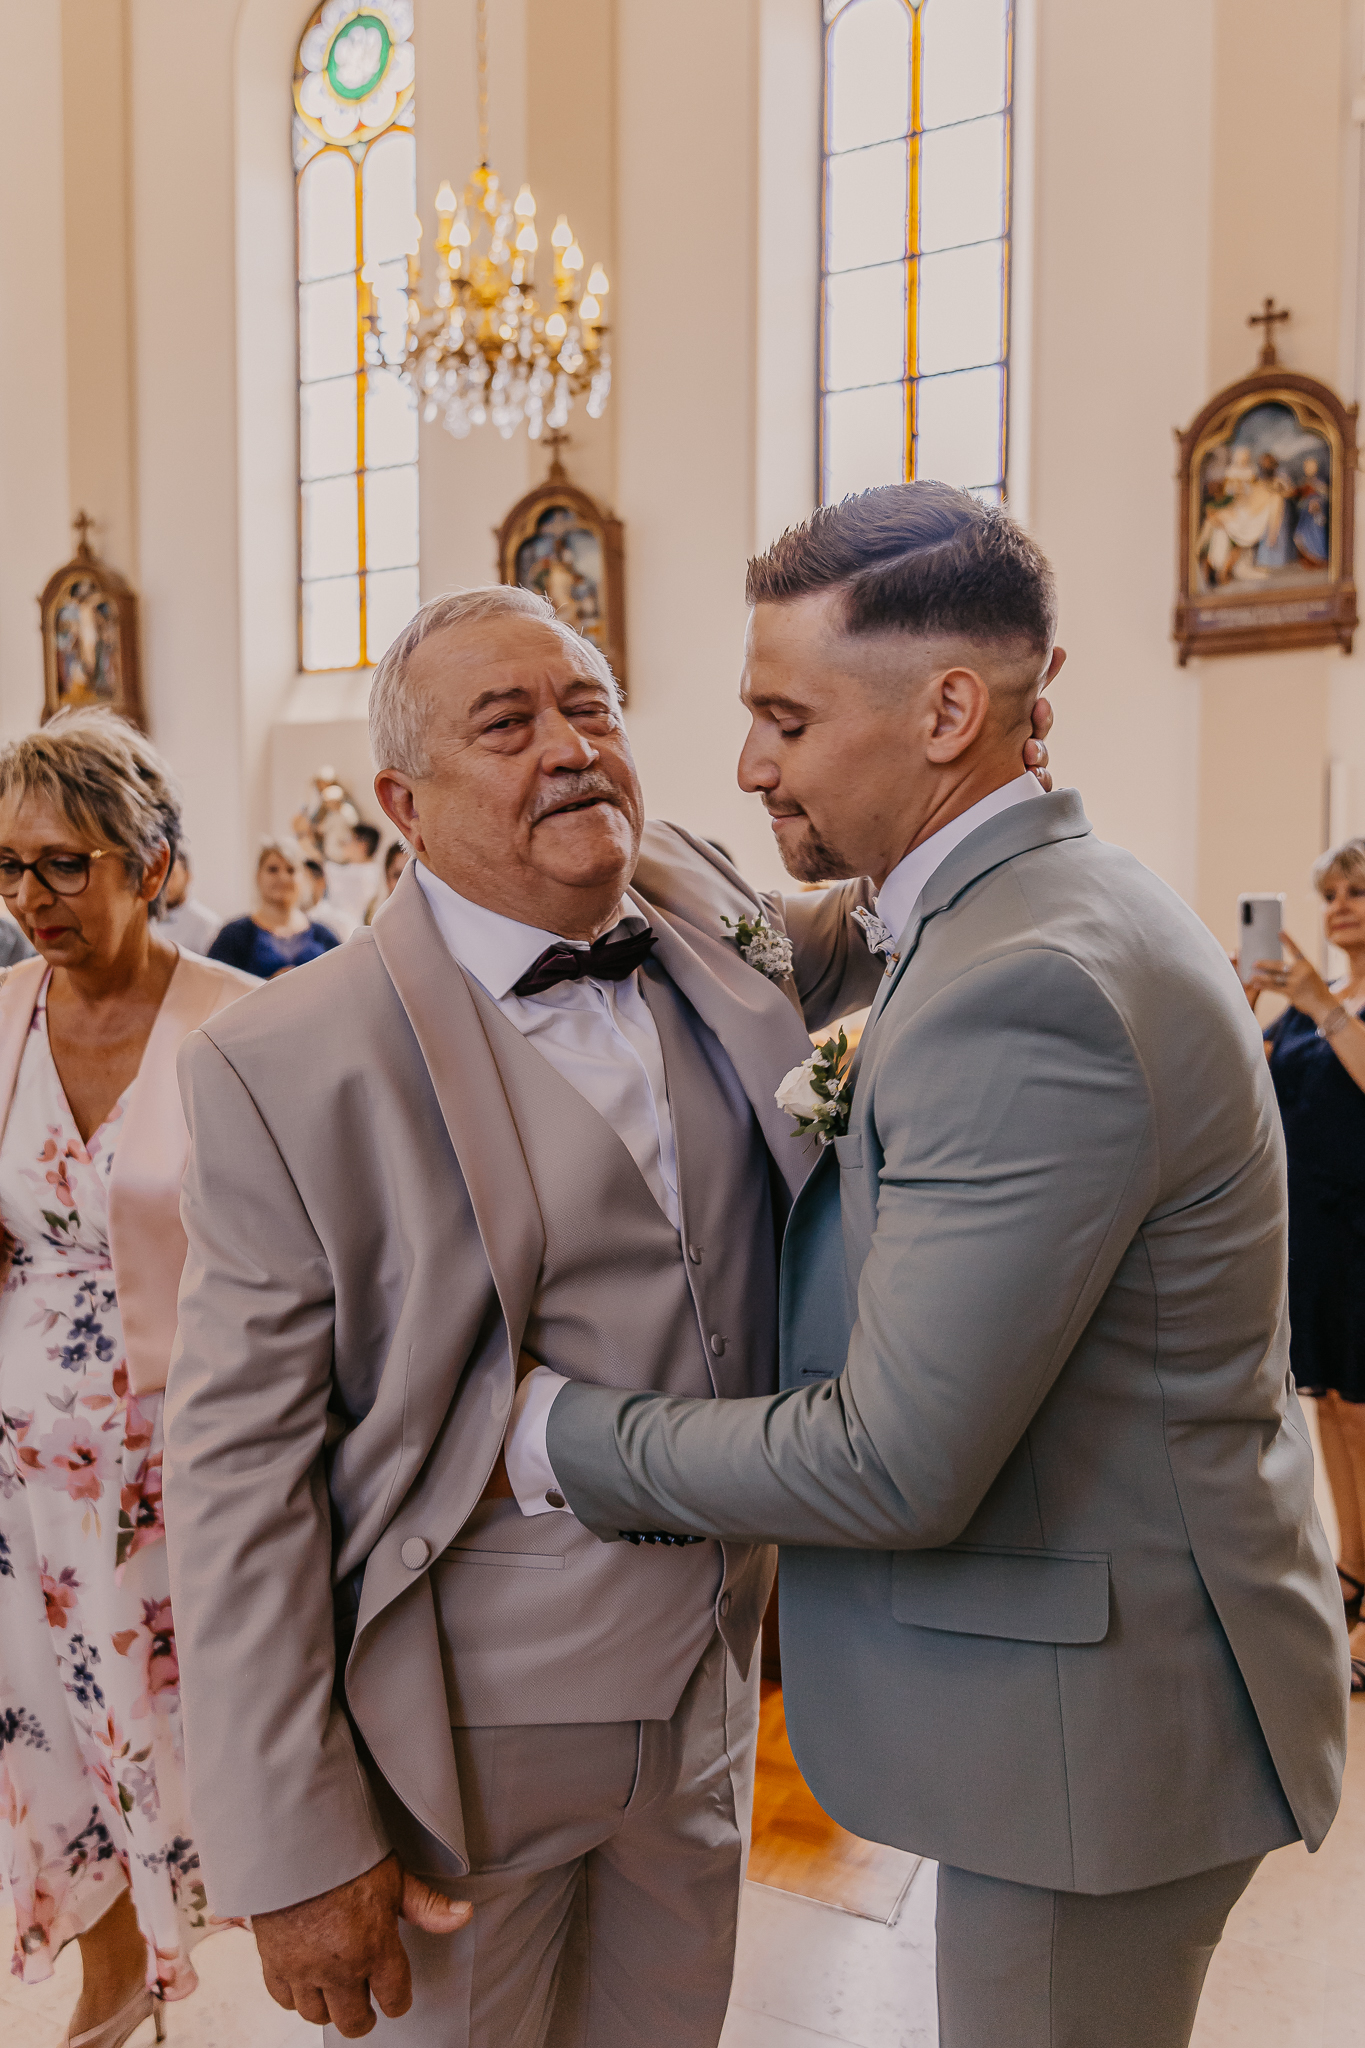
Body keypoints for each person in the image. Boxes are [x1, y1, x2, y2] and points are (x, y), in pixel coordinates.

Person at [506, 484, 1350, 2048]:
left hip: (1099, 1738)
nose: (750, 763)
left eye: (785, 721)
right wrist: (629, 855)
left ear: (949, 712)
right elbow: (809, 934)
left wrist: (551, 1432)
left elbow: (892, 1462)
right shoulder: (1020, 903)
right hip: (1116, 1673)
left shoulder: (1024, 987)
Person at [161, 580, 1055, 2047]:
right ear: (403, 801)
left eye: (590, 707)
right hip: (461, 1738)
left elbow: (888, 904)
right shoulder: (284, 1065)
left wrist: (988, 766)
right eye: (506, 723)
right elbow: (234, 1473)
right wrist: (294, 1842)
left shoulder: (698, 903)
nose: (570, 746)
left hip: (713, 1690)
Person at [0, 708, 255, 2047]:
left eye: (64, 863)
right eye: (9, 866)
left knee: (164, 1726)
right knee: (45, 1729)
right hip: (18, 1474)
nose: (30, 896)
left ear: (150, 865)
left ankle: (187, 1950)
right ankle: (109, 1979)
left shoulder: (241, 1026)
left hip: (180, 1459)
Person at [1247, 839, 1365, 1689]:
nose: (1339, 907)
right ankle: (1352, 1570)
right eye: (1329, 895)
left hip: (1362, 1231)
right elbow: (1242, 1085)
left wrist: (1323, 1006)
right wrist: (1244, 999)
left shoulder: (1325, 1004)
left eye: (1355, 890)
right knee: (1328, 1407)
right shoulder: (1303, 1004)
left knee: (1363, 1411)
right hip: (1310, 1235)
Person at [207, 838, 341, 978]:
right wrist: (268, 985)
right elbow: (213, 984)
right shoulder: (233, 935)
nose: (282, 877)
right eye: (273, 870)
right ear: (258, 876)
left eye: (291, 870)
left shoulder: (324, 936)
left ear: (303, 877)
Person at [158, 850, 223, 957]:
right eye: (161, 876)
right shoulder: (146, 919)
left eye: (172, 876)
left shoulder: (207, 924)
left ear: (187, 876)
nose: (165, 884)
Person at [365, 838, 411, 924]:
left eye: (411, 875)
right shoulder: (374, 920)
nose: (404, 883)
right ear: (387, 878)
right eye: (397, 875)